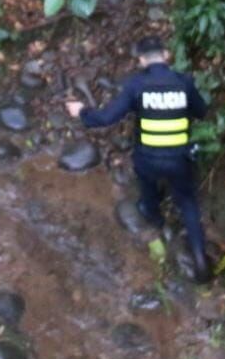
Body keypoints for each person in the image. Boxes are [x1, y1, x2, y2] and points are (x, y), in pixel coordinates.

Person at [66, 35, 212, 282]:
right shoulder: (184, 82)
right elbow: (202, 111)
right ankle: (200, 258)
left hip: (148, 159)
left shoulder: (136, 85)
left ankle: (154, 216)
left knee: (146, 184)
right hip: (179, 159)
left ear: (142, 60)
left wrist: (81, 111)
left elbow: (105, 118)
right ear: (166, 55)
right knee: (188, 202)